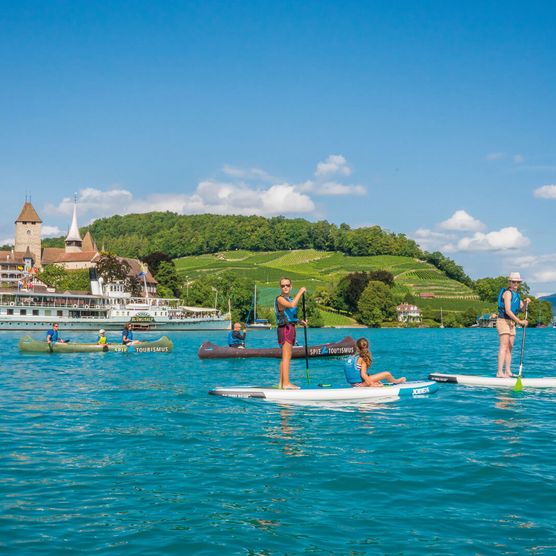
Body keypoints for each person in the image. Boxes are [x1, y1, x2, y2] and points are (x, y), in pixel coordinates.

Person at [496, 272, 531, 378]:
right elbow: (507, 311)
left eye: (517, 282)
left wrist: (525, 304)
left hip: (511, 323)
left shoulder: (517, 295)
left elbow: (522, 309)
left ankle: (508, 371)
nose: (515, 283)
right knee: (504, 346)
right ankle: (499, 372)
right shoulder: (507, 293)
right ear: (509, 282)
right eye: (513, 281)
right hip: (503, 321)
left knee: (510, 347)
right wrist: (519, 321)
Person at [275, 278, 307, 389]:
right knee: (287, 357)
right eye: (283, 285)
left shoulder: (290, 298)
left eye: (287, 285)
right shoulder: (280, 299)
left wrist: (299, 321)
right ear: (280, 287)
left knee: (285, 357)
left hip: (290, 327)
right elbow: (292, 305)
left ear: (290, 286)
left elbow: (290, 315)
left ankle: (281, 383)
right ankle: (286, 383)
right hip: (285, 329)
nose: (285, 287)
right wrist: (300, 292)